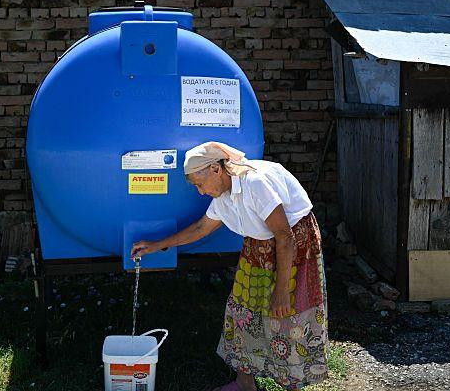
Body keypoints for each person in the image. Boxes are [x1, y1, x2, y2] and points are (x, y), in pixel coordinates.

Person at [131, 141, 329, 391]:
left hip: (293, 244)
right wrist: (156, 245)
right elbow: (202, 227)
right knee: (242, 311)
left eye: (199, 184)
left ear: (215, 169)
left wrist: (281, 290)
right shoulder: (224, 195)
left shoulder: (254, 183)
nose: (200, 192)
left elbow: (284, 236)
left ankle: (293, 385)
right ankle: (244, 383)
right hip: (258, 246)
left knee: (290, 316)